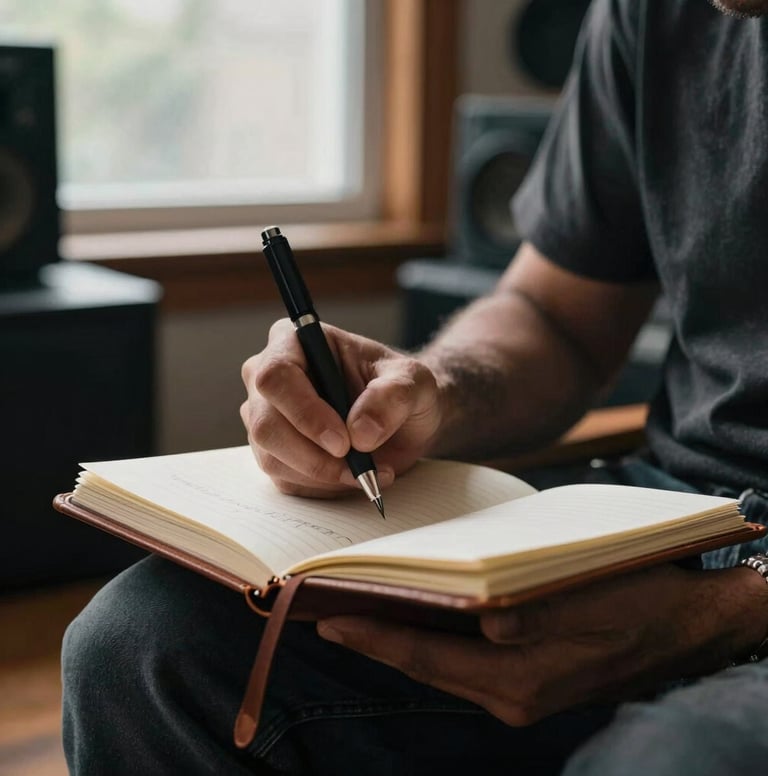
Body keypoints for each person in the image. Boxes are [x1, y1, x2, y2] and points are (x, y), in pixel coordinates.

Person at [62, 0, 768, 773]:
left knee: (669, 760)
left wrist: (730, 612)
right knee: (144, 649)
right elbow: (553, 315)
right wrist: (424, 391)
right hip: (675, 518)